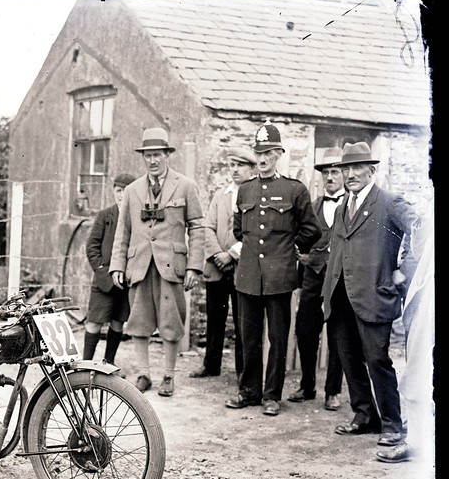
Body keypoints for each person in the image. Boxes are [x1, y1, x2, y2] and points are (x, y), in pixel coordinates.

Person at [322, 141, 420, 463]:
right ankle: (365, 415)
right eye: (346, 168)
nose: (349, 174)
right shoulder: (341, 208)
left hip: (374, 295)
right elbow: (337, 250)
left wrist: (403, 272)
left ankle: (392, 425)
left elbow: (422, 229)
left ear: (371, 170)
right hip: (341, 295)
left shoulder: (389, 203)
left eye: (357, 168)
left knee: (377, 359)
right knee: (348, 357)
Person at [226, 120, 321, 416]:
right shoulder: (244, 190)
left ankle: (271, 395)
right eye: (259, 153)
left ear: (279, 153)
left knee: (277, 339)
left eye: (268, 152)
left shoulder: (294, 190)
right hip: (248, 275)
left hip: (280, 276)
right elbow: (239, 230)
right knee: (248, 337)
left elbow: (311, 230)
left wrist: (290, 249)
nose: (263, 158)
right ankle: (249, 391)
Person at [109, 127, 205, 397]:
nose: (152, 161)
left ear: (167, 155)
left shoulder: (185, 186)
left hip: (171, 266)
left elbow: (197, 227)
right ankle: (144, 374)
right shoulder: (131, 190)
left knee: (171, 322)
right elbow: (123, 230)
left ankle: (168, 375)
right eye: (147, 156)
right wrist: (118, 265)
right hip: (139, 265)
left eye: (157, 155)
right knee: (138, 320)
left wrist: (194, 266)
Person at [189, 147, 256, 380]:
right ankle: (211, 364)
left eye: (240, 166)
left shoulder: (255, 195)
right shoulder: (221, 195)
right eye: (233, 165)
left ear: (251, 169)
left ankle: (242, 369)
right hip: (217, 267)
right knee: (215, 318)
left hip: (242, 267)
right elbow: (207, 226)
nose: (235, 170)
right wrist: (218, 254)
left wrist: (232, 254)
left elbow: (255, 233)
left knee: (242, 321)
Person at [287, 148, 345, 411]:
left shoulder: (353, 205)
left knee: (337, 335)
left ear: (344, 174)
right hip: (312, 276)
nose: (330, 177)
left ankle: (332, 391)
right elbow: (300, 238)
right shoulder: (313, 207)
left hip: (341, 280)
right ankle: (307, 385)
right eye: (326, 173)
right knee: (305, 331)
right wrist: (304, 257)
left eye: (335, 172)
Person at [83, 173, 137, 365]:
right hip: (104, 281)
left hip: (126, 281)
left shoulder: (136, 218)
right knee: (95, 321)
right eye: (118, 191)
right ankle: (86, 363)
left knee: (118, 322)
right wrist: (103, 271)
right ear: (113, 192)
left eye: (126, 192)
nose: (122, 196)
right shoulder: (105, 216)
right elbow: (92, 247)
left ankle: (109, 363)